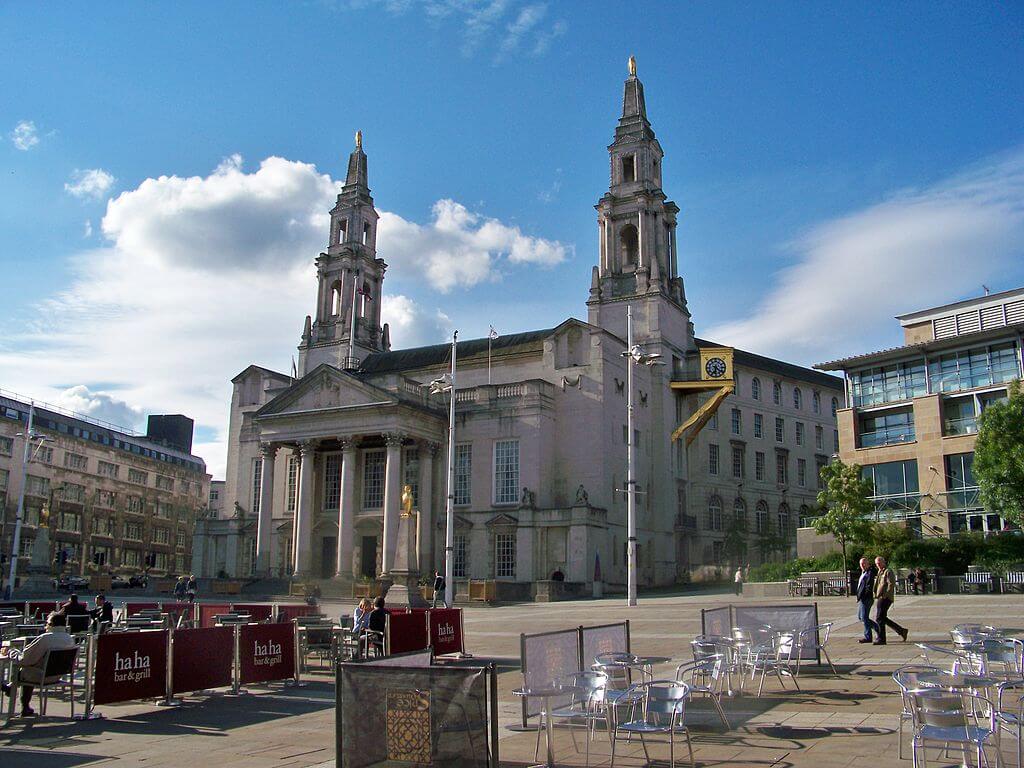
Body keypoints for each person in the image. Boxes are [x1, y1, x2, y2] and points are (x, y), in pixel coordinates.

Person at [1, 612, 77, 717]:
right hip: (57, 676)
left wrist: (10, 652)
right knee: (31, 668)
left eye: (47, 623)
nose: (45, 626)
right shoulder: (69, 638)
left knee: (25, 669)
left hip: (42, 676)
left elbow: (25, 660)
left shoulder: (45, 638)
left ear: (51, 624)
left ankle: (13, 692)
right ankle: (21, 702)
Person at [873, 556, 909, 645]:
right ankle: (901, 630)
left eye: (879, 563)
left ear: (883, 562)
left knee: (879, 618)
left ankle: (882, 639)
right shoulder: (880, 572)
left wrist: (885, 595)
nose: (878, 565)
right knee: (882, 618)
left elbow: (891, 584)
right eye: (877, 563)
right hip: (880, 597)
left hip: (885, 598)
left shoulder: (888, 571)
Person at [855, 557, 879, 643]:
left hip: (866, 598)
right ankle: (877, 628)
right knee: (861, 617)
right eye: (861, 564)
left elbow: (868, 586)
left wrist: (864, 595)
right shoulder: (863, 573)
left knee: (864, 617)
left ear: (868, 564)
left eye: (864, 563)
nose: (862, 565)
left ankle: (868, 637)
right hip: (862, 598)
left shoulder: (869, 573)